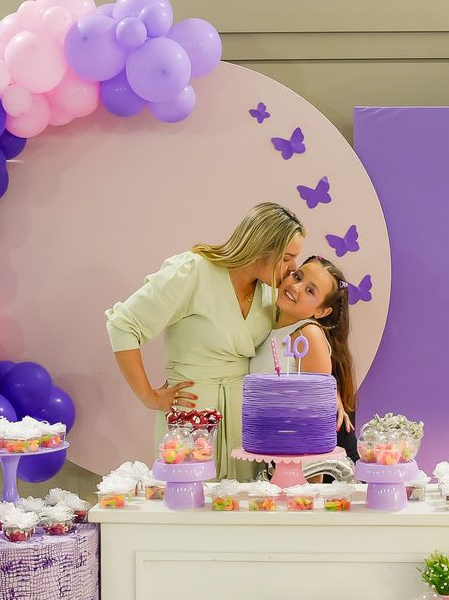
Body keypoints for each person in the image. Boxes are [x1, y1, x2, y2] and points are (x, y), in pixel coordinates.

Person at [106, 203, 305, 479]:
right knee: (189, 497)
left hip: (245, 422)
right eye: (287, 257)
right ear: (261, 248)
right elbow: (122, 324)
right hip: (192, 417)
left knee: (243, 501)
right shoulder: (193, 272)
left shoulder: (272, 292)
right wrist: (147, 396)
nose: (293, 268)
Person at [249, 255, 359, 461]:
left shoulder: (308, 334)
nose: (296, 287)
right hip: (279, 453)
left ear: (322, 311)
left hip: (312, 464)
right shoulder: (267, 324)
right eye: (298, 277)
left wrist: (310, 480)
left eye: (310, 290)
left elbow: (315, 423)